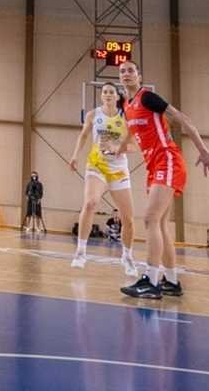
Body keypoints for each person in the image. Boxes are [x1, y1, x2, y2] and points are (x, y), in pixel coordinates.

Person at [118, 59, 209, 299]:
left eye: (131, 70)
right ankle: (171, 281)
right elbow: (132, 132)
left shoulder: (148, 97)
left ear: (139, 76)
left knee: (150, 219)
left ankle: (151, 281)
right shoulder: (126, 105)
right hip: (153, 166)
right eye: (122, 71)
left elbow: (182, 118)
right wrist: (119, 148)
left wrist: (203, 150)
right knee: (160, 224)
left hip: (168, 159)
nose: (126, 74)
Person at [68, 83, 137, 276]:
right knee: (90, 203)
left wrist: (117, 148)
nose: (107, 94)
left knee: (128, 219)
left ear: (117, 96)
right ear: (101, 96)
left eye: (111, 92)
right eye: (104, 92)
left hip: (118, 169)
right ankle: (81, 252)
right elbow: (83, 136)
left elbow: (134, 146)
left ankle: (127, 256)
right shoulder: (93, 115)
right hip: (96, 165)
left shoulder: (125, 117)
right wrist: (75, 156)